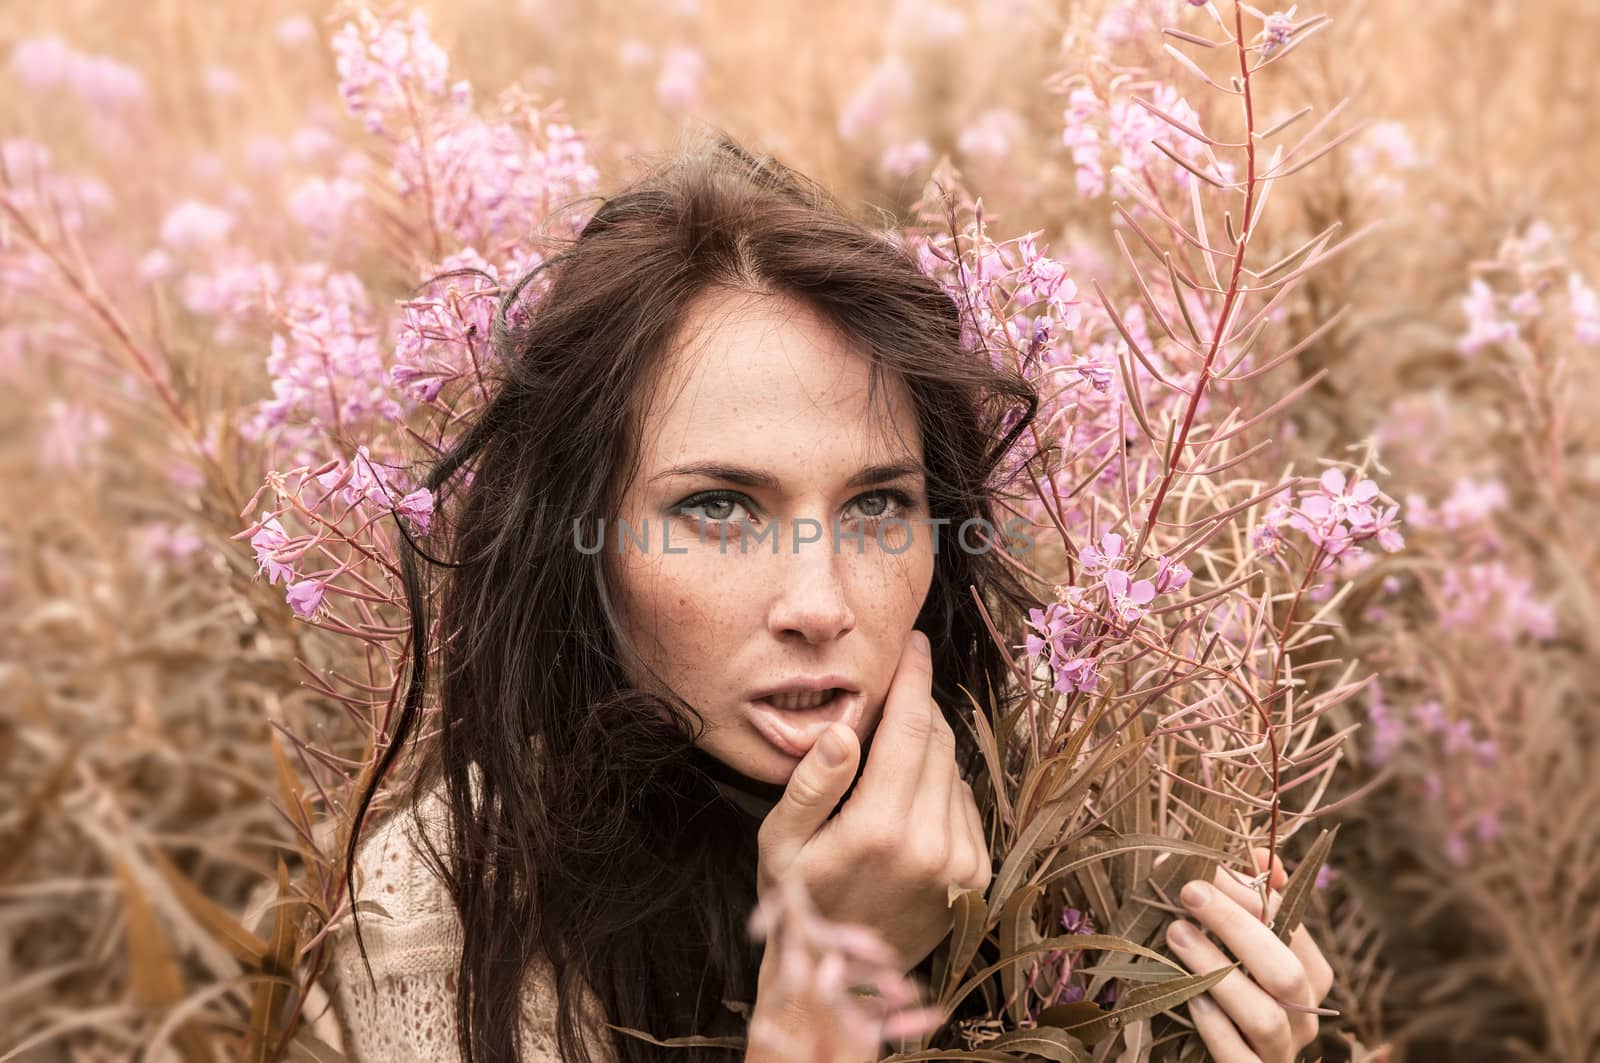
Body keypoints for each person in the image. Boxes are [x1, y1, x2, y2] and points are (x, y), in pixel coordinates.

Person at [324, 130, 1333, 1063]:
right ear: (576, 540)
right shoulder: (435, 921)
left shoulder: (1068, 844)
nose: (820, 602)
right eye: (719, 507)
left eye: (878, 504)